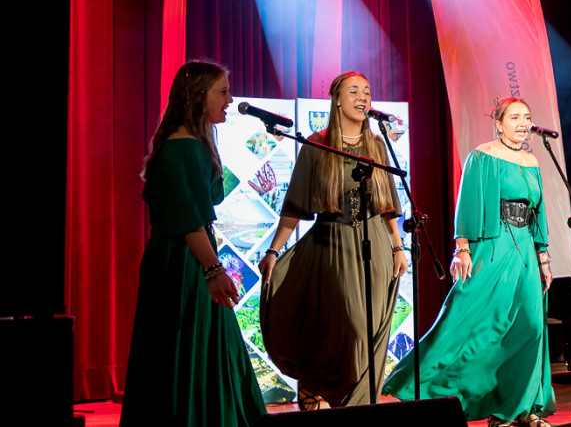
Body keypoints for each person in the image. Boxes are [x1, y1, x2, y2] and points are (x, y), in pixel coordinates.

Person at [383, 97, 555, 427]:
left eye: (527, 117)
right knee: (474, 325)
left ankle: (522, 407)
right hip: (493, 246)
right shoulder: (483, 156)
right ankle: (424, 386)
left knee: (531, 328)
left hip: (525, 250)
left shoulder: (532, 160)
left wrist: (543, 257)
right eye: (514, 117)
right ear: (499, 124)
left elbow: (539, 211)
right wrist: (462, 248)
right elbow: (468, 203)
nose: (523, 123)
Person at [121, 61, 267, 426]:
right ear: (197, 97)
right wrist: (214, 271)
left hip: (189, 258)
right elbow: (190, 222)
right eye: (222, 92)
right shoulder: (182, 148)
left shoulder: (194, 144)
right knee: (190, 343)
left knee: (201, 344)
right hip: (185, 262)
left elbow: (206, 201)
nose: (230, 100)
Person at [258, 71, 408, 409]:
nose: (363, 97)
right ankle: (326, 387)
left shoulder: (377, 144)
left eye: (367, 91)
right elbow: (295, 205)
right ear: (337, 99)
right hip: (334, 243)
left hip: (376, 244)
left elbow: (388, 203)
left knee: (373, 330)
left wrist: (398, 246)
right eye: (354, 91)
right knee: (350, 327)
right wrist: (273, 250)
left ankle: (359, 406)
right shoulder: (317, 144)